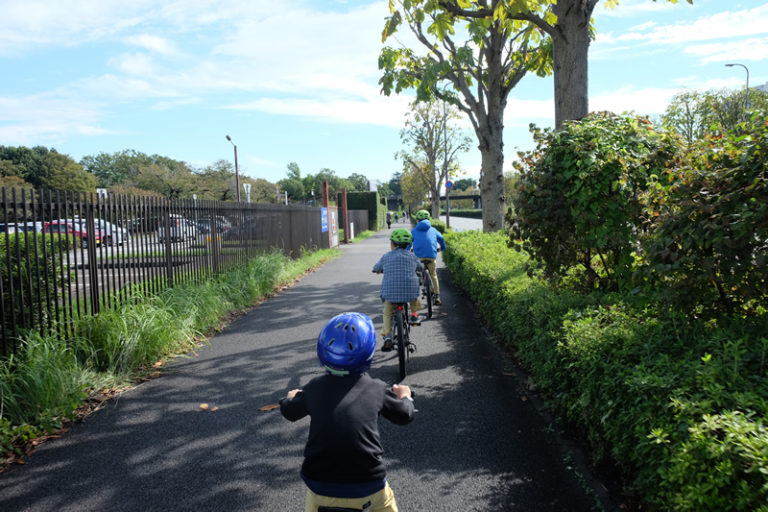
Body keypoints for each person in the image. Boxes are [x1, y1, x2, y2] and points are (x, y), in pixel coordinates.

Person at [280, 312, 415, 512]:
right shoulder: (376, 389)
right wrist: (406, 396)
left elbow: (290, 412)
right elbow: (405, 415)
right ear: (369, 353)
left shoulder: (314, 388)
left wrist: (290, 398)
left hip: (319, 485)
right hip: (368, 485)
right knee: (386, 503)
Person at [372, 228, 423, 352]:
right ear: (408, 245)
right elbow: (420, 268)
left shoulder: (386, 256)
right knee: (414, 295)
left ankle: (388, 337)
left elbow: (375, 268)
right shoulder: (412, 256)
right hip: (410, 292)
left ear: (393, 244)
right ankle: (414, 315)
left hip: (391, 294)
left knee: (388, 312)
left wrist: (379, 270)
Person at [410, 210, 446, 305]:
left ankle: (419, 283)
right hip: (431, 257)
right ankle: (437, 296)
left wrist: (407, 251)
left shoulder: (413, 231)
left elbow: (409, 242)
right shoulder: (433, 230)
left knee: (416, 272)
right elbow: (441, 239)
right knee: (433, 275)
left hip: (419, 257)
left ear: (417, 220)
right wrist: (443, 247)